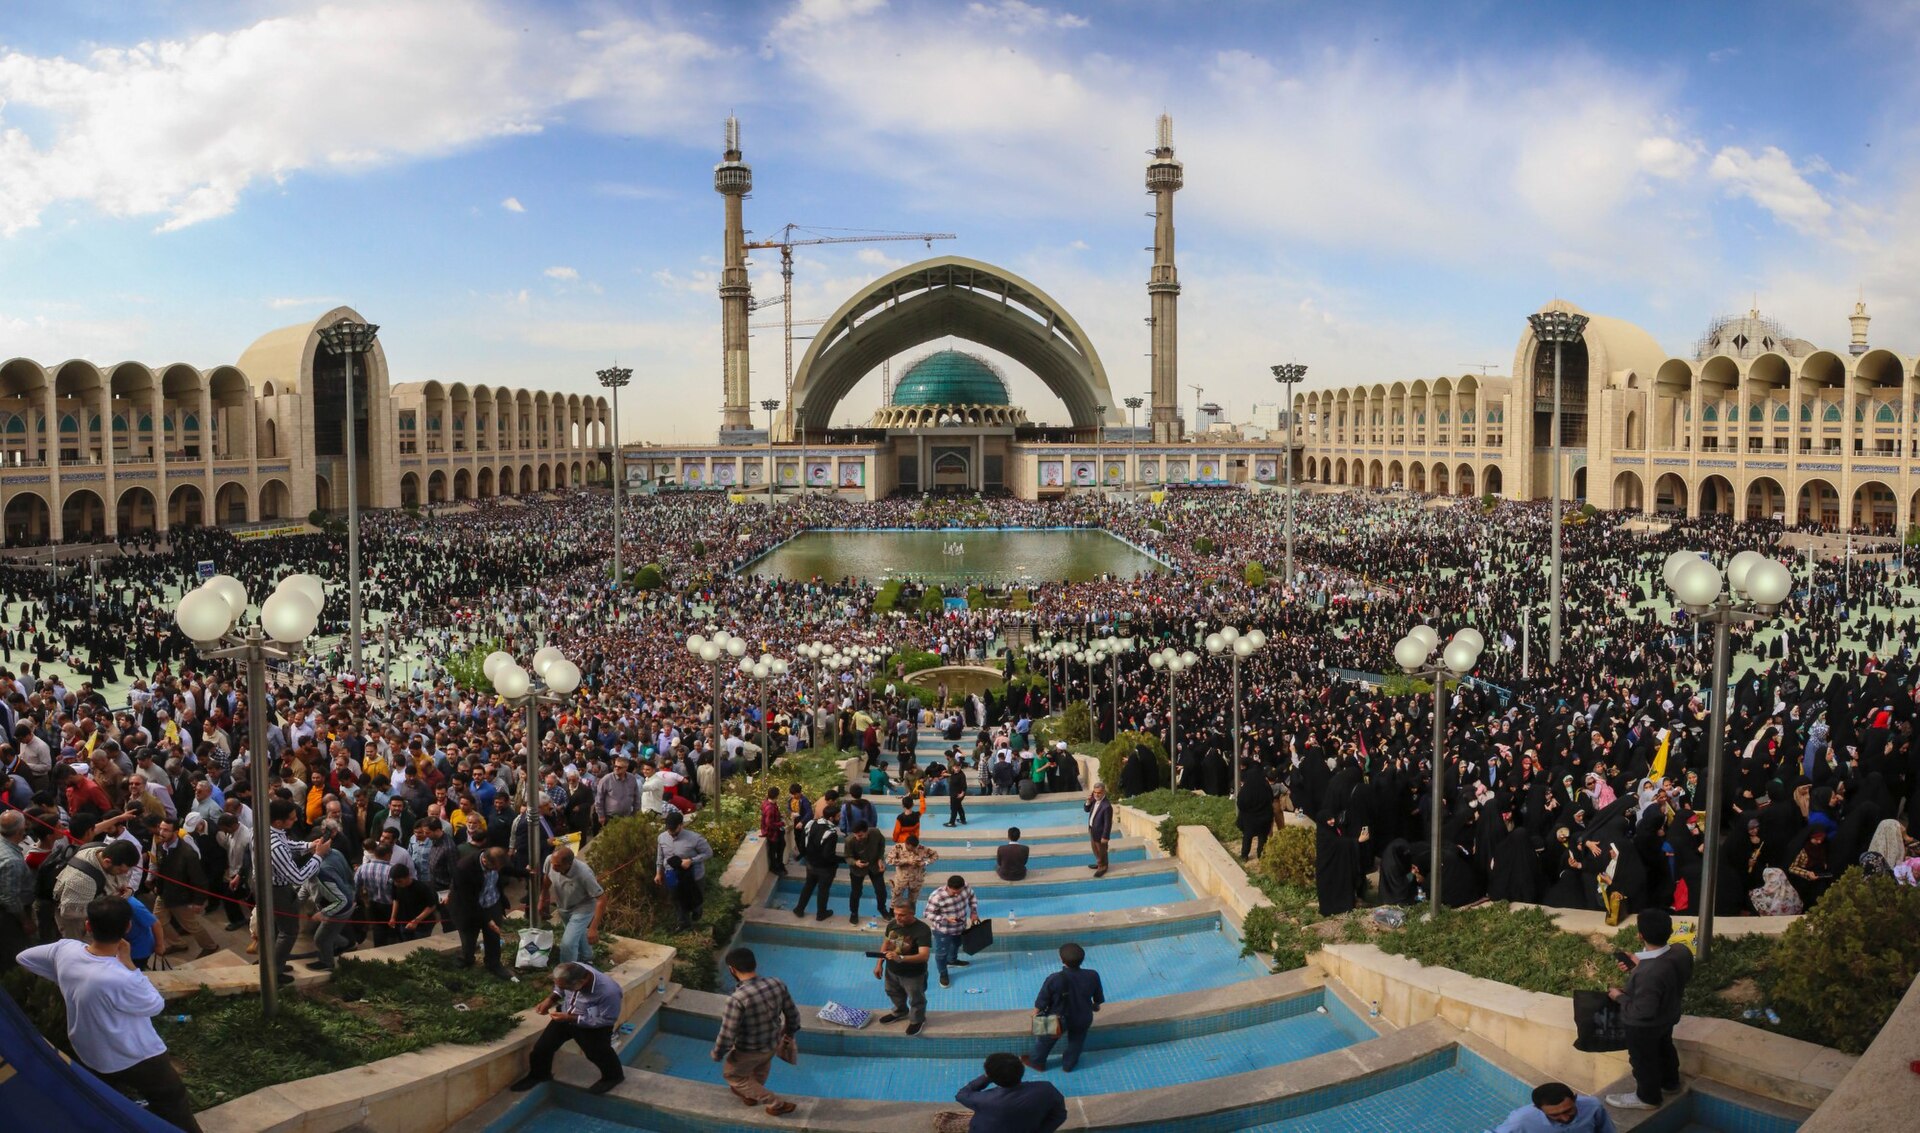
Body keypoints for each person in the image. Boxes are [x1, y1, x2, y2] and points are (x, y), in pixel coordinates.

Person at [17, 897, 205, 1132]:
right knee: (172, 1098)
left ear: (88, 925)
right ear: (127, 927)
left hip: (89, 1051)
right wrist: (129, 964)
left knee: (108, 1098)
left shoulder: (65, 950)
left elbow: (23, 957)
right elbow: (155, 1005)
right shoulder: (120, 976)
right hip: (135, 1055)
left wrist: (65, 979)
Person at [1604, 909, 1693, 1111]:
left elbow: (1642, 1010)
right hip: (1668, 1016)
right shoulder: (1681, 951)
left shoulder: (1650, 973)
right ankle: (1670, 1084)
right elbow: (1667, 976)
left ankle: (1647, 1097)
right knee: (1665, 1049)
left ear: (1640, 935)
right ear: (1669, 931)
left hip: (1644, 1026)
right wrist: (1639, 965)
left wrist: (1619, 996)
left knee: (1644, 1061)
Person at [510, 960, 626, 1095]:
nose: (565, 990)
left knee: (598, 1053)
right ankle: (539, 1075)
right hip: (566, 1015)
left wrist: (573, 1018)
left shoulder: (609, 992)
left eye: (568, 989)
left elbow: (607, 1019)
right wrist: (551, 1000)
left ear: (582, 982)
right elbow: (560, 986)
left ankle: (613, 1077)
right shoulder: (571, 969)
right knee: (542, 1048)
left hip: (593, 1025)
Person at [710, 946, 801, 1117]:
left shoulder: (737, 999)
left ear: (732, 970)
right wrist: (789, 1034)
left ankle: (775, 1103)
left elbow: (727, 1034)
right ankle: (750, 1097)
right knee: (758, 1072)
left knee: (733, 1076)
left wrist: (717, 1053)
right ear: (754, 964)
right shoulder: (777, 984)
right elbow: (793, 1015)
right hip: (772, 1044)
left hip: (748, 1050)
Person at [1025, 942, 1104, 1073]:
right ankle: (1068, 1064)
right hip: (1083, 1016)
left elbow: (1043, 999)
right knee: (1076, 1042)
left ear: (1062, 960)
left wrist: (1035, 1012)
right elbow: (1098, 997)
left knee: (1044, 1041)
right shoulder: (1092, 975)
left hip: (1057, 1018)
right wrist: (1096, 1006)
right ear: (1082, 960)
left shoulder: (1054, 978)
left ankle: (1037, 1062)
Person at [955, 1051, 1067, 1133]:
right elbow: (1059, 1115)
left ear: (992, 1077)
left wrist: (987, 1077)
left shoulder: (985, 1100)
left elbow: (961, 1095)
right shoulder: (1046, 1089)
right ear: (1021, 1070)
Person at [449, 844, 512, 977]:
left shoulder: (496, 861)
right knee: (469, 936)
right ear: (485, 861)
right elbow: (469, 901)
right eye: (495, 868)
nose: (497, 870)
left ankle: (493, 963)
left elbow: (507, 870)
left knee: (493, 936)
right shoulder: (464, 868)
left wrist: (525, 873)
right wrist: (488, 920)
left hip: (492, 902)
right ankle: (467, 959)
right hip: (469, 907)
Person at [873, 895, 931, 1036]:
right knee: (892, 992)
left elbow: (924, 956)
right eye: (896, 914)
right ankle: (900, 1011)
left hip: (913, 974)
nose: (898, 918)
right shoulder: (893, 924)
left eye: (902, 915)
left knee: (916, 999)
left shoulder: (922, 930)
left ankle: (917, 1020)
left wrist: (901, 958)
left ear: (912, 913)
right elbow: (886, 944)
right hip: (892, 970)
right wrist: (879, 964)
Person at [542, 843, 607, 965]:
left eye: (557, 866)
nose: (553, 867)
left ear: (569, 864)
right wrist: (543, 897)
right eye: (552, 864)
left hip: (583, 907)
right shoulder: (550, 861)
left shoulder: (584, 874)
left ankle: (566, 972)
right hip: (564, 906)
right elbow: (547, 878)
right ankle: (587, 958)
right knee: (577, 932)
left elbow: (602, 899)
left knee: (568, 943)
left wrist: (593, 928)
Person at [657, 808, 713, 931]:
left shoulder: (695, 838)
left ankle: (697, 910)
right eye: (668, 829)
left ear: (681, 825)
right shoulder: (662, 838)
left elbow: (708, 853)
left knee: (695, 899)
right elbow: (660, 857)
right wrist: (658, 873)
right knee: (677, 899)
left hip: (693, 876)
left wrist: (691, 860)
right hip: (672, 874)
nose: (670, 832)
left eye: (673, 829)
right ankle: (683, 923)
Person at [924, 873, 979, 989]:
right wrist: (945, 919)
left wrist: (973, 912)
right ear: (947, 886)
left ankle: (952, 961)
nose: (957, 894)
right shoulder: (937, 896)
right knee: (941, 954)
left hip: (960, 927)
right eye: (954, 892)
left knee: (956, 944)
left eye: (959, 892)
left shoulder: (966, 887)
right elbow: (927, 914)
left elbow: (972, 896)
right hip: (943, 930)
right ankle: (943, 974)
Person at [1495, 1081, 1617, 1132]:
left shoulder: (1593, 1106)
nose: (1565, 1118)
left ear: (1575, 1099)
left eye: (1568, 1110)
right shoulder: (1521, 1120)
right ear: (1538, 1109)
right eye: (1554, 1115)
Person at [792, 801, 840, 922]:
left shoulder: (811, 823)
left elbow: (803, 842)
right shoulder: (832, 833)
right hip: (824, 868)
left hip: (810, 864)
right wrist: (841, 860)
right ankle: (821, 913)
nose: (840, 818)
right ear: (831, 818)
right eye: (838, 816)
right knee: (823, 890)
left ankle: (799, 909)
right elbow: (828, 855)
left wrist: (805, 856)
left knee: (808, 886)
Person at [844, 819, 888, 924]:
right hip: (857, 869)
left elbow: (882, 845)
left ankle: (882, 908)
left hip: (874, 865)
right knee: (856, 892)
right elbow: (847, 857)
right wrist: (855, 862)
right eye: (855, 835)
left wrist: (880, 859)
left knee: (881, 890)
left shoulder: (876, 833)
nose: (857, 837)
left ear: (866, 831)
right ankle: (854, 912)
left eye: (860, 835)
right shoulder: (850, 840)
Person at [885, 833, 937, 910]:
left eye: (915, 847)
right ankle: (893, 914)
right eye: (912, 848)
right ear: (907, 844)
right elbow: (888, 861)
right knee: (896, 898)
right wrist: (906, 861)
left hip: (916, 879)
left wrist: (925, 862)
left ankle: (911, 916)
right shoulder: (898, 848)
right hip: (901, 879)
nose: (914, 849)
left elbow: (935, 855)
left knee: (913, 900)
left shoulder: (921, 848)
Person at [1084, 783, 1113, 878]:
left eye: (1099, 793)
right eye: (1095, 792)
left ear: (1104, 792)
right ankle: (1099, 863)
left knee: (1102, 850)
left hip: (1101, 834)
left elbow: (1108, 824)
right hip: (1093, 830)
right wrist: (1088, 801)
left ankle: (1103, 866)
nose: (1096, 794)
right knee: (1095, 849)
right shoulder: (1093, 800)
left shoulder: (1106, 806)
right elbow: (1086, 809)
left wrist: (1105, 836)